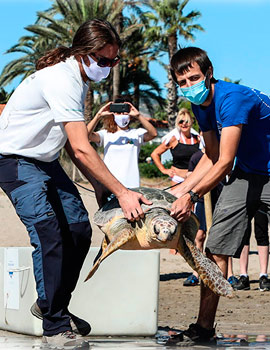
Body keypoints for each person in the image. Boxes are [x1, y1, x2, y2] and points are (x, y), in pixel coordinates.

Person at [0, 19, 151, 348]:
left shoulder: (79, 78)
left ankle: (51, 306)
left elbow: (71, 137)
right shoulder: (61, 78)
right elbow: (82, 148)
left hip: (46, 160)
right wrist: (122, 192)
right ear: (83, 53)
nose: (109, 68)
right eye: (103, 61)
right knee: (48, 232)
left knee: (80, 229)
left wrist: (100, 185)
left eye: (114, 61)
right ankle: (55, 327)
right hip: (13, 160)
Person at [169, 46, 270, 343]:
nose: (190, 86)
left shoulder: (232, 98)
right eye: (183, 82)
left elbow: (225, 160)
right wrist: (180, 188)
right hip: (247, 172)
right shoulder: (201, 106)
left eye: (194, 78)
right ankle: (203, 327)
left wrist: (192, 196)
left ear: (209, 73)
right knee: (214, 250)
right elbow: (211, 155)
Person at [182, 150, 238, 288]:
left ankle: (230, 274)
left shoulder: (224, 154)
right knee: (199, 236)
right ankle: (197, 272)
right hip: (202, 200)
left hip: (222, 198)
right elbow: (190, 178)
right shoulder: (196, 157)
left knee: (223, 236)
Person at [87, 96, 157, 191]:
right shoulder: (105, 134)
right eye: (118, 112)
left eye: (125, 111)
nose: (122, 115)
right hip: (109, 185)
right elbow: (86, 136)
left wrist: (138, 116)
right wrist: (98, 115)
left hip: (132, 185)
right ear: (113, 113)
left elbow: (153, 134)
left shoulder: (137, 133)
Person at [151, 108, 202, 185]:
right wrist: (164, 170)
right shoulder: (173, 139)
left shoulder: (198, 139)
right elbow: (155, 154)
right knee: (177, 197)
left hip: (194, 179)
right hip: (177, 179)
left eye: (187, 121)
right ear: (178, 123)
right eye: (181, 121)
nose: (184, 124)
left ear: (191, 122)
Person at [234, 205, 270, 291]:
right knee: (244, 234)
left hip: (261, 199)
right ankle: (243, 276)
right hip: (244, 198)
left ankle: (263, 276)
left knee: (261, 232)